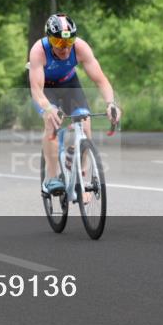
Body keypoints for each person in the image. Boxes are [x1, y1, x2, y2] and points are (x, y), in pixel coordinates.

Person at [28, 13, 120, 195]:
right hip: (45, 89)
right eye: (59, 42)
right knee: (52, 122)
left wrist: (111, 103)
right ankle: (51, 178)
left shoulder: (80, 47)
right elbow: (37, 90)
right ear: (50, 40)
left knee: (85, 123)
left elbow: (101, 80)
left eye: (69, 41)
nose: (65, 48)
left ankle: (81, 178)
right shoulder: (38, 51)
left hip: (69, 84)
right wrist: (48, 108)